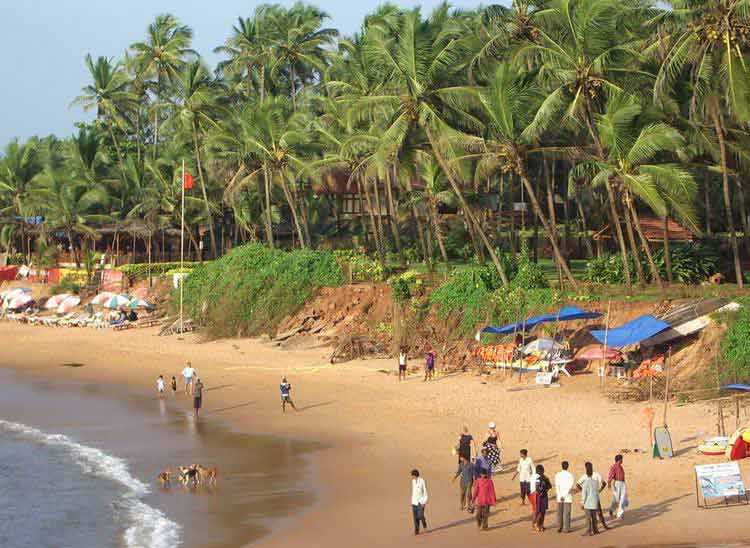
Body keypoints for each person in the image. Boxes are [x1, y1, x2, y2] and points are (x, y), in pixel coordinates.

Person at [576, 464, 609, 530]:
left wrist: (583, 491)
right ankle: (603, 526)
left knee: (589, 515)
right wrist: (599, 490)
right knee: (598, 513)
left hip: (587, 499)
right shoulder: (596, 475)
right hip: (595, 497)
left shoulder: (585, 476)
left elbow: (577, 484)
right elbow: (604, 483)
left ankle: (591, 530)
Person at [581, 462, 601, 536]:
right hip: (594, 502)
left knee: (588, 518)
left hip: (587, 503)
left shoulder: (585, 483)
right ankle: (596, 530)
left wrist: (582, 503)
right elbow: (597, 493)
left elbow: (584, 494)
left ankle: (588, 531)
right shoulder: (595, 482)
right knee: (594, 517)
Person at [554, 461, 574, 533]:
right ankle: (566, 528)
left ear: (561, 466)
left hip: (560, 497)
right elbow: (570, 487)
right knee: (567, 513)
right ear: (567, 466)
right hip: (567, 497)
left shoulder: (557, 475)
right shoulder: (570, 475)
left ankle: (559, 527)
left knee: (559, 513)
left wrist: (560, 495)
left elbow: (557, 486)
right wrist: (564, 495)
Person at [608, 454, 628, 520]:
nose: (622, 460)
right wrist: (609, 484)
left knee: (623, 499)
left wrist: (624, 484)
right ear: (619, 460)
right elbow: (611, 476)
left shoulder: (621, 467)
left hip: (622, 483)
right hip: (617, 483)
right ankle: (611, 509)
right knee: (616, 499)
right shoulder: (614, 467)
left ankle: (620, 514)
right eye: (621, 459)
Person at [532, 464, 552, 532]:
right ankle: (537, 524)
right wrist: (540, 492)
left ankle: (541, 525)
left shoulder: (546, 478)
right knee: (540, 512)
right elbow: (537, 488)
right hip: (540, 497)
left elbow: (550, 486)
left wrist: (545, 490)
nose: (540, 472)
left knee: (543, 512)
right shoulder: (538, 479)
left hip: (544, 497)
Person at [411, 469, 428, 535]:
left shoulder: (422, 481)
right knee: (415, 518)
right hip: (414, 502)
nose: (412, 477)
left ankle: (424, 525)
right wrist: (412, 501)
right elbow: (413, 492)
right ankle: (416, 530)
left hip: (421, 502)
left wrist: (424, 502)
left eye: (413, 476)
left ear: (415, 475)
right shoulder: (413, 481)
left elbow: (425, 491)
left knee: (420, 515)